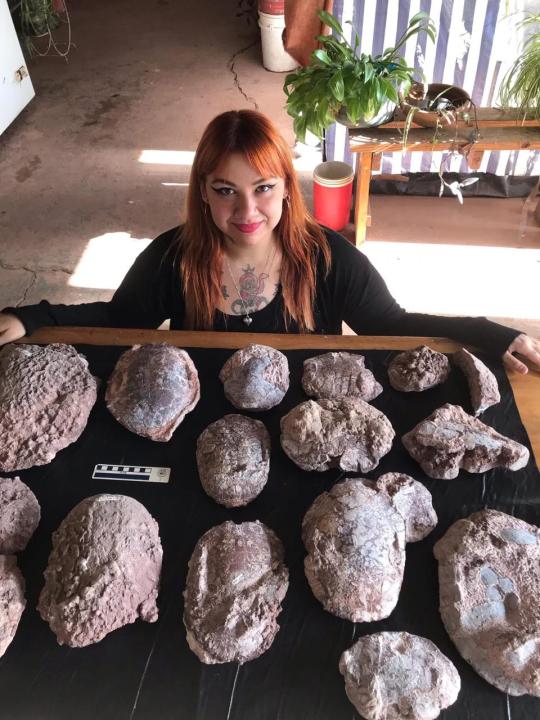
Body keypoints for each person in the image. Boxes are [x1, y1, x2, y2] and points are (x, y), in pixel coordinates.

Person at [1, 109, 539, 373]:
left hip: (309, 429)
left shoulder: (330, 259)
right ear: (203, 192)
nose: (246, 212)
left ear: (286, 187)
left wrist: (484, 332)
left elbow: (392, 326)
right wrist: (32, 317)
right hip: (203, 419)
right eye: (225, 191)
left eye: (262, 188)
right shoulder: (172, 257)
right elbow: (120, 319)